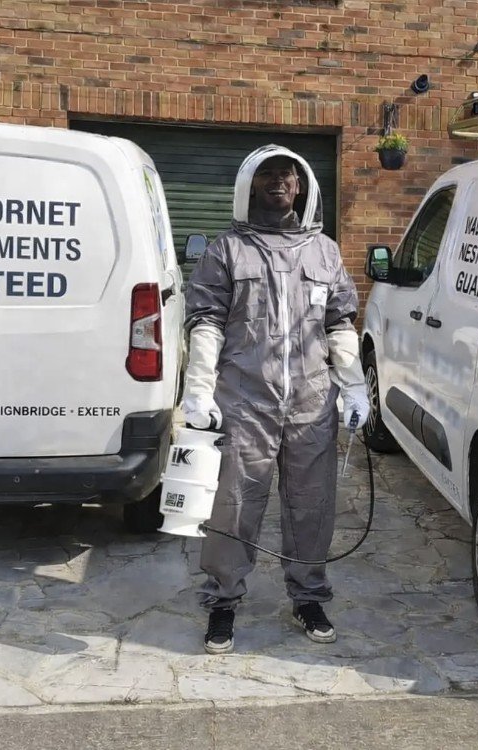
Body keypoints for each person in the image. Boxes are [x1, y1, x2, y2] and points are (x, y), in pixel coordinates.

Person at [182, 145, 369, 655]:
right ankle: (222, 600)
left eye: (287, 174)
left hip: (311, 401)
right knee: (234, 504)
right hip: (244, 400)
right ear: (251, 185)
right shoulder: (226, 249)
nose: (279, 181)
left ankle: (308, 595)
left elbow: (339, 321)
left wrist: (353, 385)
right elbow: (206, 321)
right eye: (268, 174)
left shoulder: (324, 251)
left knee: (311, 504)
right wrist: (198, 389)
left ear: (301, 185)